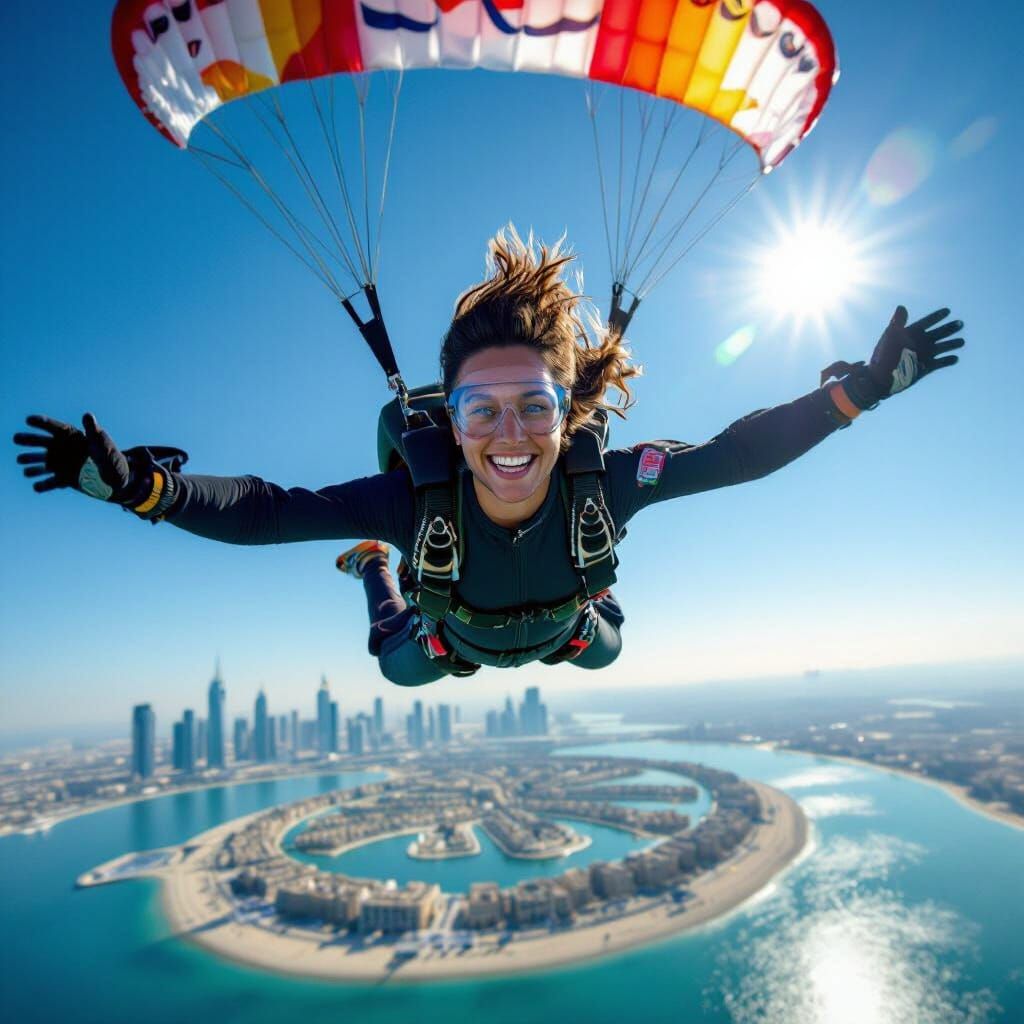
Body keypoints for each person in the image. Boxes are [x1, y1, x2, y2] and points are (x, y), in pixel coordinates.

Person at [14, 227, 964, 687]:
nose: (509, 435)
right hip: (449, 638)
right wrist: (147, 491)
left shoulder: (606, 485)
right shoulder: (411, 499)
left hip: (565, 628)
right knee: (399, 668)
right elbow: (269, 510)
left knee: (606, 653)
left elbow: (736, 454)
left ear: (566, 412)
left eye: (534, 407)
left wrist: (856, 393)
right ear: (451, 422)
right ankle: (375, 573)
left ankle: (572, 611)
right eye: (479, 410)